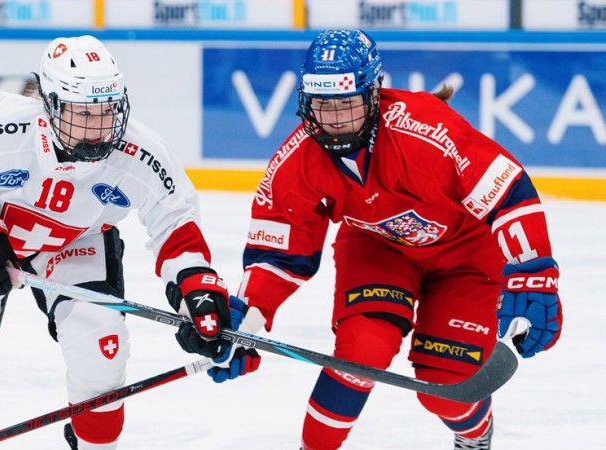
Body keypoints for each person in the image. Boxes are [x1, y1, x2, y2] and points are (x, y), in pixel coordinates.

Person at [0, 35, 248, 450]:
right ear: (50, 105)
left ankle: (94, 442)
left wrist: (198, 290)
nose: (99, 128)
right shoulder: (0, 131)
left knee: (101, 345)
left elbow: (174, 221)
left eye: (108, 111)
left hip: (75, 242)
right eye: (83, 113)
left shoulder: (141, 150)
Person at [223, 29, 562, 449]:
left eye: (346, 104)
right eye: (322, 105)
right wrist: (247, 321)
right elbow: (279, 252)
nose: (334, 120)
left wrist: (534, 274)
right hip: (378, 249)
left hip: (469, 258)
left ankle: (475, 436)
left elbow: (509, 189)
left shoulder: (426, 132)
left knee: (445, 385)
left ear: (373, 94)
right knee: (360, 352)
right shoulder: (297, 160)